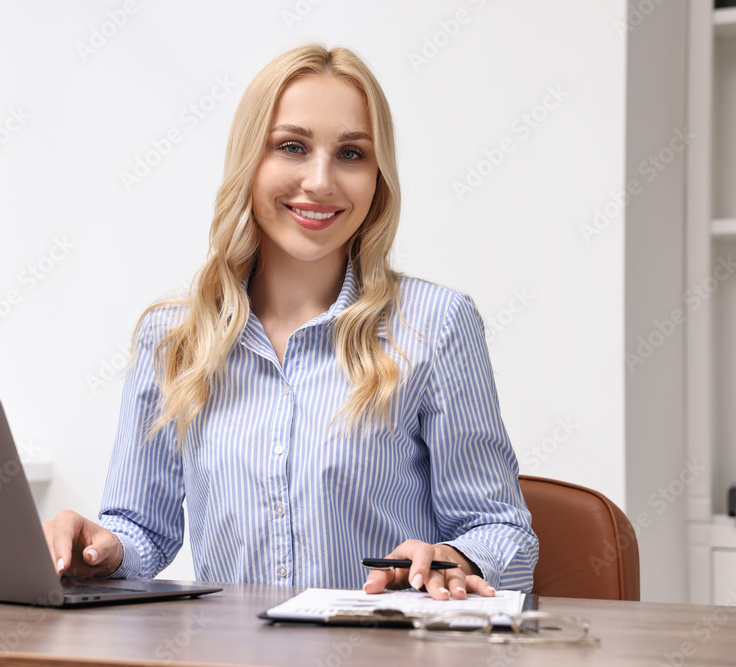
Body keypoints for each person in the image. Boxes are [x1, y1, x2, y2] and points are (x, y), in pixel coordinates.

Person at [44, 43, 538, 601]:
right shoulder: (173, 339)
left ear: (378, 177)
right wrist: (99, 551)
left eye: (351, 153)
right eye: (292, 147)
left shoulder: (436, 325)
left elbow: (501, 531)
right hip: (228, 646)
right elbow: (141, 532)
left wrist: (456, 557)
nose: (321, 181)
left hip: (382, 643)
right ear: (249, 162)